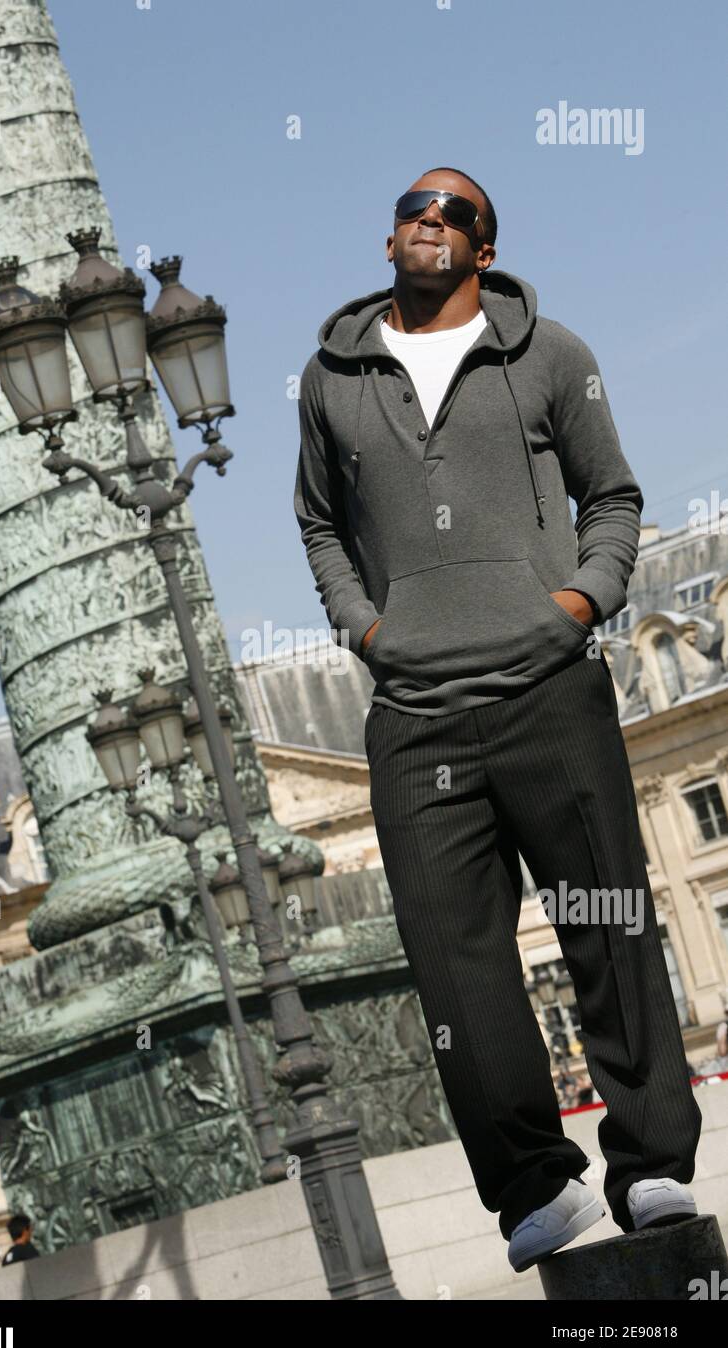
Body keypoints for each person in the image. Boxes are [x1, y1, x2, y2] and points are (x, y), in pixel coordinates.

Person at [293, 165, 702, 1273]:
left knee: (606, 922)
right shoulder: (329, 376)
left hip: (546, 691)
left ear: (483, 247)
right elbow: (319, 526)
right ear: (389, 239)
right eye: (413, 208)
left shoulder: (552, 353)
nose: (430, 220)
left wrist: (577, 603)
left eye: (455, 214)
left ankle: (653, 1159)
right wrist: (365, 633)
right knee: (454, 964)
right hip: (412, 713)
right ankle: (531, 1188)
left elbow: (608, 493)